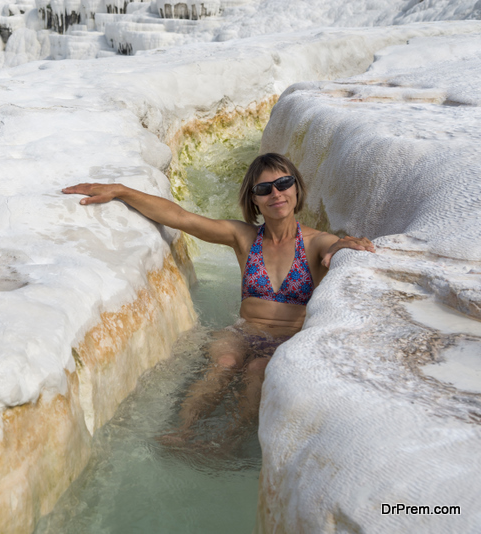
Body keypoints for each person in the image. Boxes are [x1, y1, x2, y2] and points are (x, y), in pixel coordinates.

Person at [62, 153, 375, 444]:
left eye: (283, 184)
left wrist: (345, 244)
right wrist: (121, 191)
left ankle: (229, 440)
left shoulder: (318, 242)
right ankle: (183, 430)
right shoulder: (245, 237)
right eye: (264, 189)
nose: (276, 194)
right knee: (224, 362)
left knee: (257, 370)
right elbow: (182, 218)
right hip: (245, 331)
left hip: (290, 340)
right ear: (253, 200)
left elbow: (341, 249)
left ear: (296, 188)